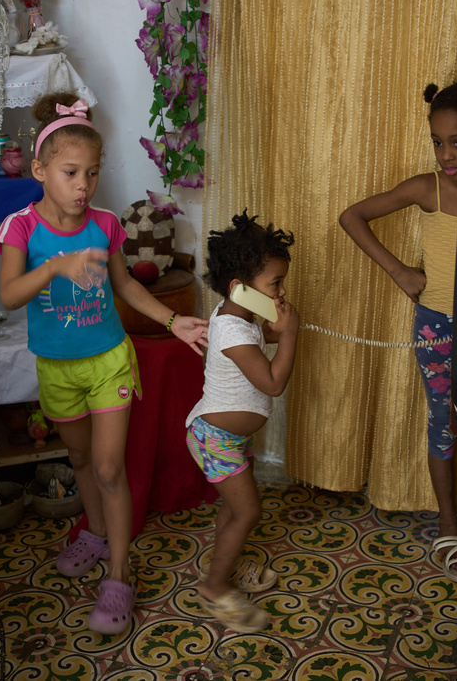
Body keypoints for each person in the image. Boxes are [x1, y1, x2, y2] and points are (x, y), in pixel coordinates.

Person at [0, 92, 208, 635]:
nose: (83, 185)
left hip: (109, 360)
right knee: (83, 463)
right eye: (70, 172)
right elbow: (10, 295)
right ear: (40, 170)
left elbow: (126, 288)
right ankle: (92, 532)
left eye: (91, 173)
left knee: (110, 468)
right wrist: (56, 267)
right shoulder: (20, 227)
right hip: (57, 369)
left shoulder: (106, 223)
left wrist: (171, 321)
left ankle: (119, 573)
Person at [338, 79, 457, 584]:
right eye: (437, 141)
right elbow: (352, 215)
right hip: (439, 327)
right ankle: (450, 528)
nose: (446, 154)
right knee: (444, 422)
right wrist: (400, 272)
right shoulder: (427, 188)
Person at [186, 211, 299, 632]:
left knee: (234, 510)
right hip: (214, 439)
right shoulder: (233, 330)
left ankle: (226, 561)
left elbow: (256, 338)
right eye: (275, 284)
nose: (282, 291)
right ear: (241, 288)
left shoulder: (237, 315)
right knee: (248, 511)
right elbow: (271, 383)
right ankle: (214, 587)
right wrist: (289, 335)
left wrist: (275, 329)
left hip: (227, 438)